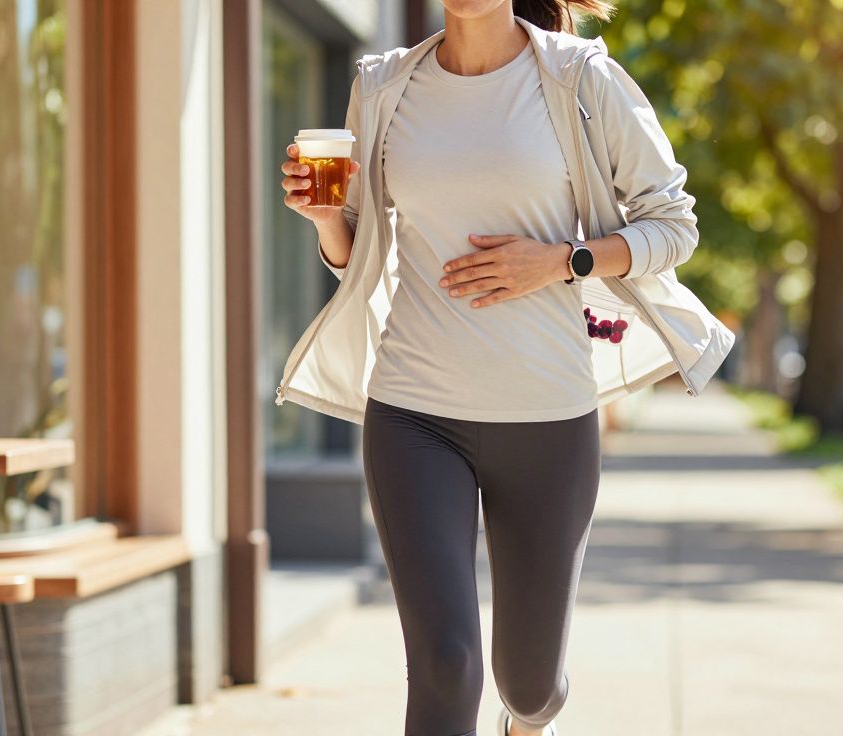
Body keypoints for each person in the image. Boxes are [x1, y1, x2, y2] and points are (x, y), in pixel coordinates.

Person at [277, 2, 702, 734]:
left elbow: (674, 225)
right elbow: (361, 257)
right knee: (445, 662)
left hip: (548, 416)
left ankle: (528, 722)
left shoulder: (580, 79)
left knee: (531, 686)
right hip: (413, 413)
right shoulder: (382, 86)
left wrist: (562, 261)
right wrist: (325, 221)